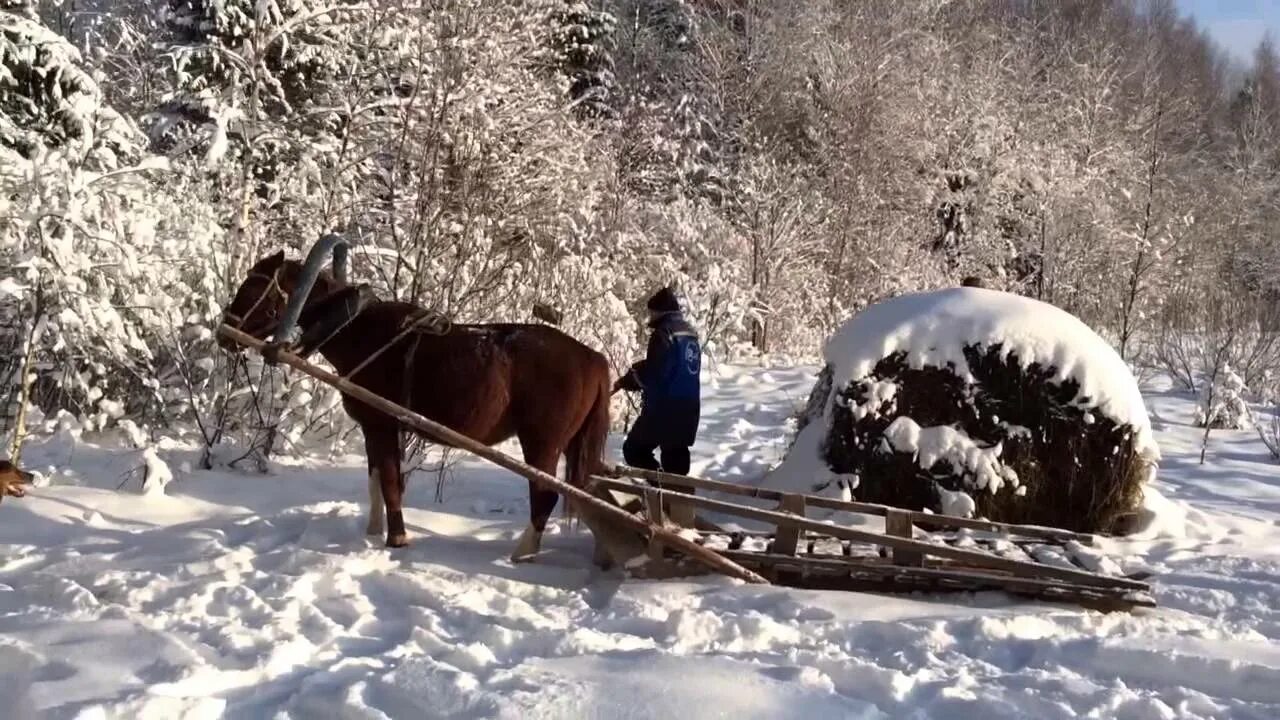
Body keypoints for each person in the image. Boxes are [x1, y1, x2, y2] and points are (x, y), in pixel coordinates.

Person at [614, 287, 701, 477]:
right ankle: (679, 500)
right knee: (676, 458)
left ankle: (662, 491)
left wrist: (632, 379)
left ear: (660, 311)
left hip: (665, 408)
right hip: (689, 407)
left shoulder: (663, 333)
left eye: (652, 312)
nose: (650, 317)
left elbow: (656, 373)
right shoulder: (690, 334)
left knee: (634, 449)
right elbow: (674, 365)